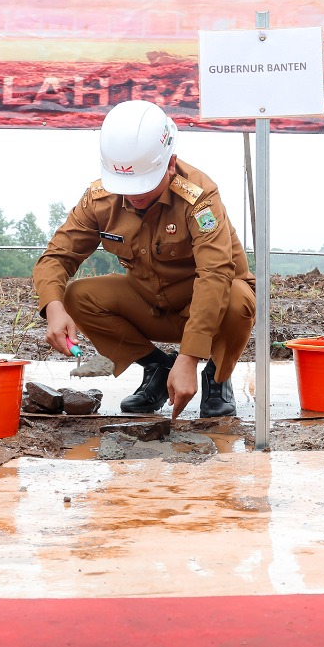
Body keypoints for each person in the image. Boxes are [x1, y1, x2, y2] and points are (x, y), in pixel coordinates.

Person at [33, 100, 254, 419]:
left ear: (170, 164)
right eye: (125, 185)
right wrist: (54, 309)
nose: (134, 195)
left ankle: (217, 376)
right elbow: (57, 257)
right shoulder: (100, 200)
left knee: (238, 299)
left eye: (144, 184)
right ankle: (157, 367)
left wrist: (190, 357)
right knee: (76, 296)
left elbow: (215, 274)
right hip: (151, 304)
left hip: (209, 309)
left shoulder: (199, 197)